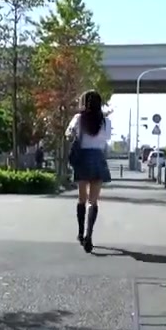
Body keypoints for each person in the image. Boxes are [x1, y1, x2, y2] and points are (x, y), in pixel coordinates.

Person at [67, 90, 112, 253]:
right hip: (98, 158)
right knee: (93, 201)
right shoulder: (106, 121)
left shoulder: (79, 119)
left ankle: (80, 233)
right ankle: (89, 235)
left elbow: (68, 134)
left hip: (83, 157)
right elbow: (106, 139)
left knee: (81, 199)